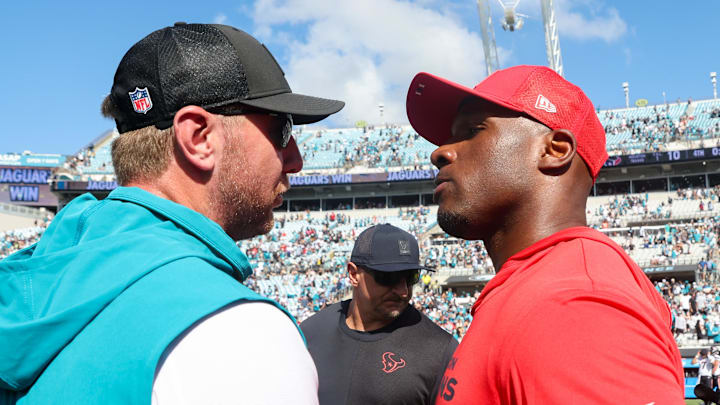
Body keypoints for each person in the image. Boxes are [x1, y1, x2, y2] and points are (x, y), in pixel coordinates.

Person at [0, 23, 343, 404]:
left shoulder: (44, 276)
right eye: (282, 130)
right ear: (198, 138)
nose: (295, 159)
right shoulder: (235, 332)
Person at [405, 65, 684, 404]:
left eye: (473, 130)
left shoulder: (575, 303)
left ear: (555, 150)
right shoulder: (542, 285)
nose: (440, 152)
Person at [300, 223, 458, 405]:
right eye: (388, 277)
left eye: (411, 277)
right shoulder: (310, 333)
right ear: (353, 274)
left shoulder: (440, 350)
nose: (403, 291)